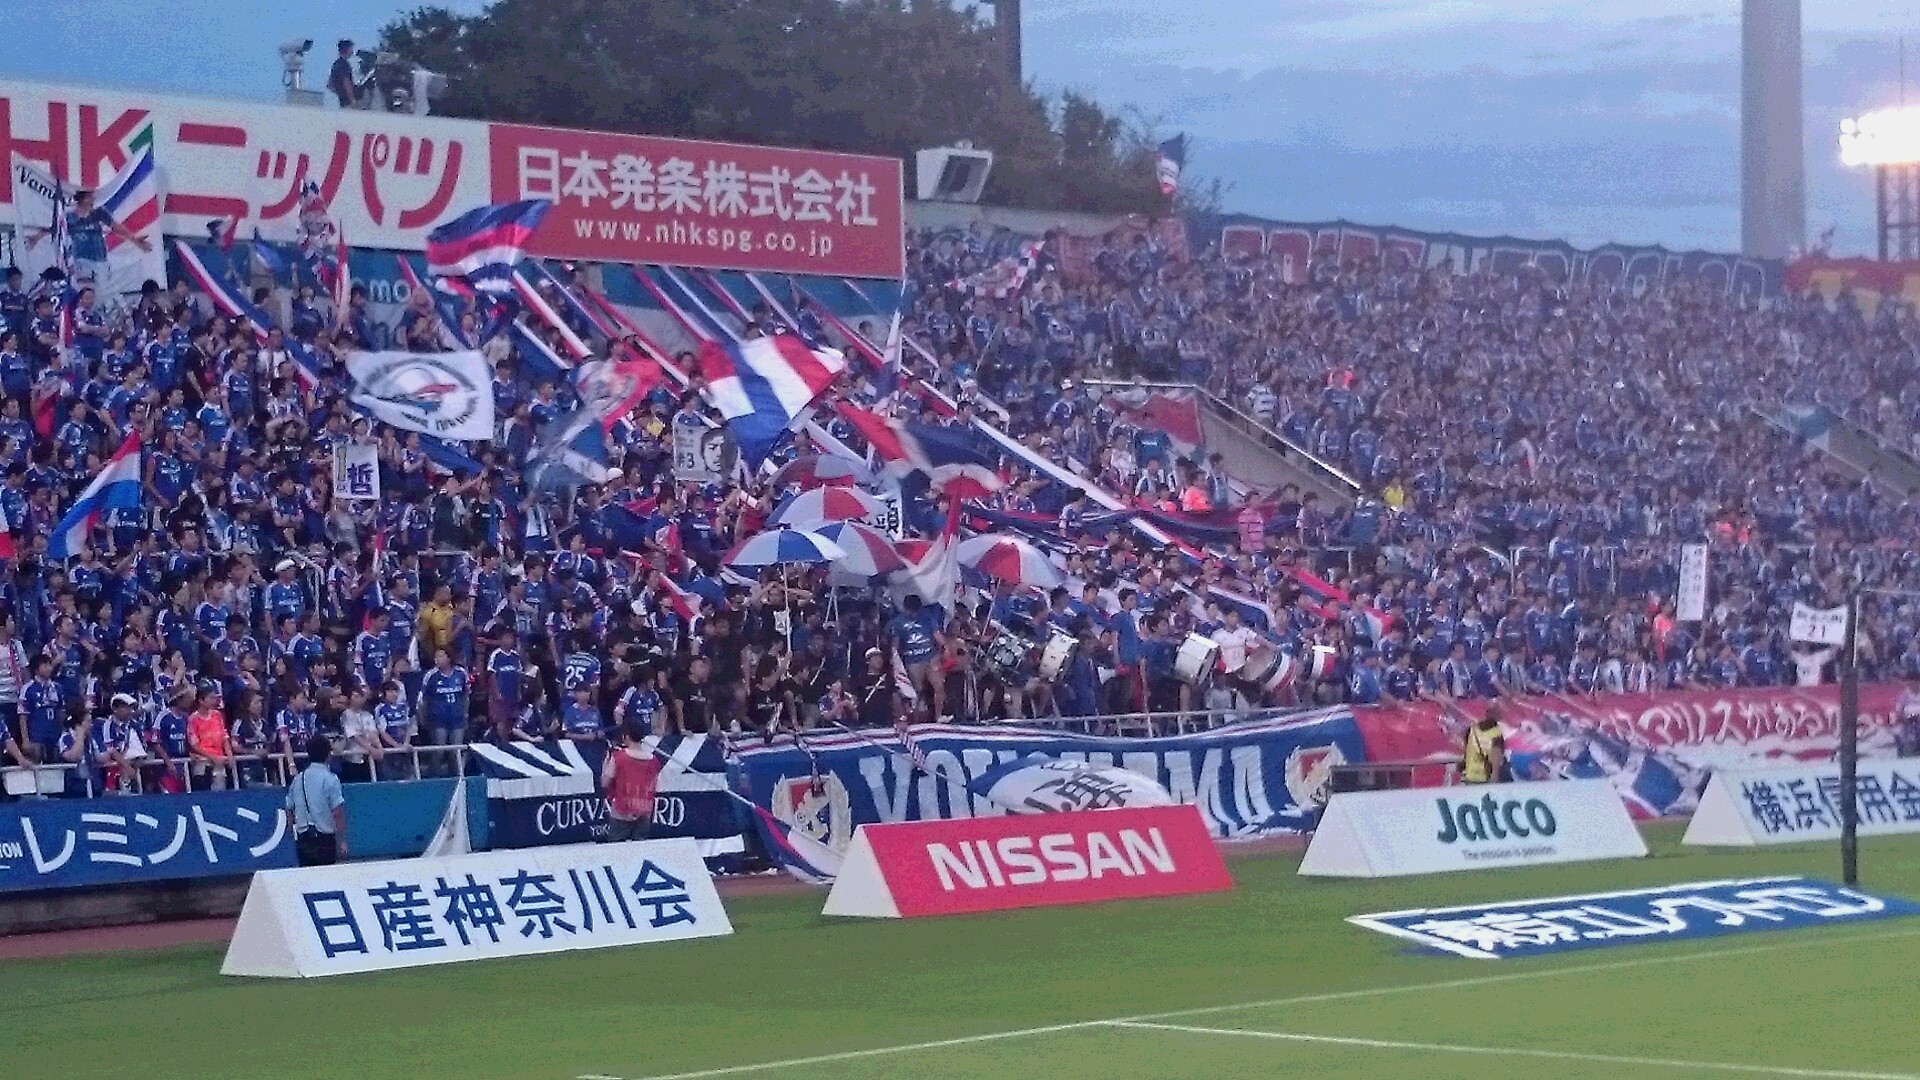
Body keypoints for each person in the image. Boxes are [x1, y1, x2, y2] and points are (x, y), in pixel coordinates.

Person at [286, 734, 346, 866]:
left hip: (303, 838)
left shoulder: (298, 779)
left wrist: (293, 832)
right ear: (328, 754)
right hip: (325, 838)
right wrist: (342, 840)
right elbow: (337, 812)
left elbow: (289, 810)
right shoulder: (330, 778)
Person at [598, 721, 661, 843]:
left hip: (621, 813)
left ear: (626, 736)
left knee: (617, 850)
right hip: (644, 812)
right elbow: (656, 786)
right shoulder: (654, 761)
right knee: (640, 850)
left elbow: (605, 783)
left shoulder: (618, 757)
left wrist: (604, 765)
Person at [1460, 701, 1508, 785]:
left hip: (1472, 775)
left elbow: (1466, 751)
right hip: (1482, 777)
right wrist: (1494, 776)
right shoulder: (1496, 734)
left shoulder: (1472, 730)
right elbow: (1496, 757)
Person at [328, 40, 360, 108]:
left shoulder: (336, 64)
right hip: (347, 102)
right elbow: (346, 83)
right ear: (346, 49)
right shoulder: (344, 65)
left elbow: (330, 85)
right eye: (351, 49)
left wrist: (338, 94)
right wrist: (352, 100)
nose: (352, 52)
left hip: (341, 101)